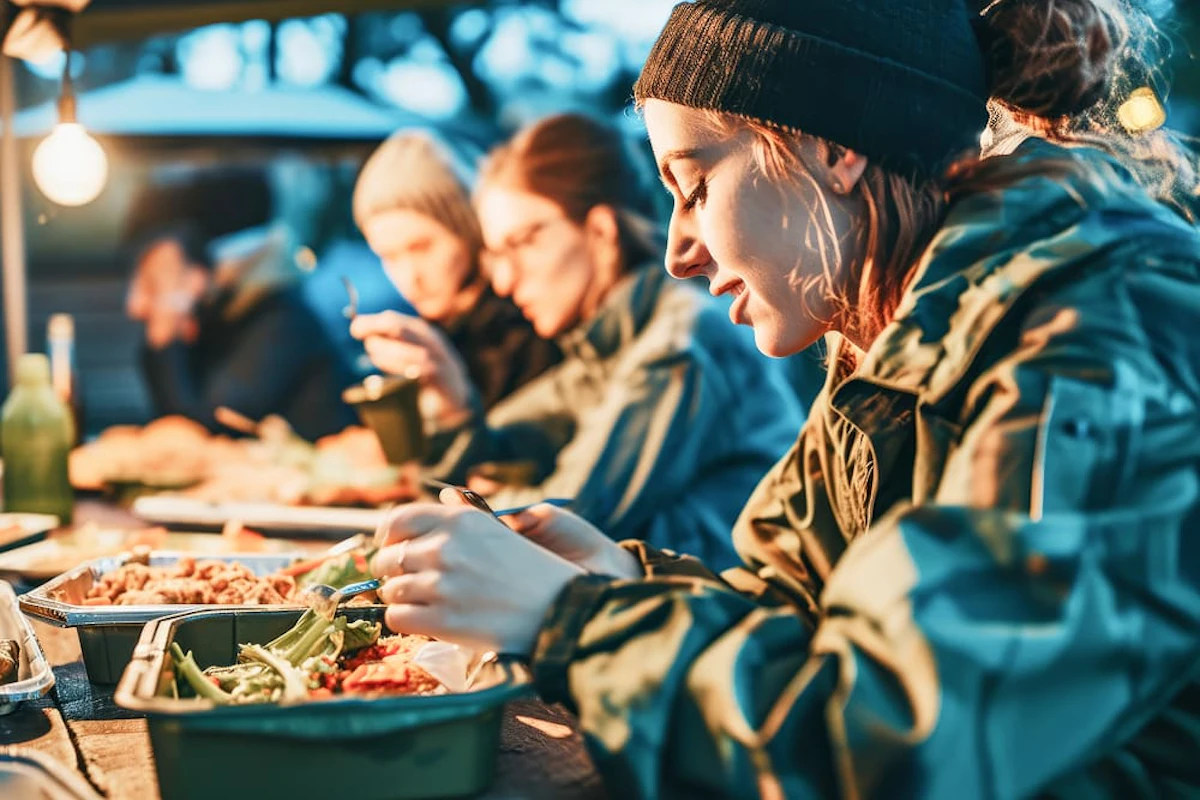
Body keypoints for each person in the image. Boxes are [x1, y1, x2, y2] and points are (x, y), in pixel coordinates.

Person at [369, 0, 1200, 796]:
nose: (676, 253)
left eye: (692, 187)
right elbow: (800, 609)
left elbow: (893, 748)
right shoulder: (888, 341)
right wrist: (619, 580)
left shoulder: (1101, 333)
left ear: (833, 147)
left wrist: (571, 621)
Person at [381, 112, 800, 568]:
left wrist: (493, 497)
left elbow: (568, 520)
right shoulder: (601, 349)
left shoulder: (682, 342)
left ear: (601, 231)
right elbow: (490, 458)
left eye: (521, 243)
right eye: (495, 255)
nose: (502, 280)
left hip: (736, 620)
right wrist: (452, 405)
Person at [124, 168, 357, 442]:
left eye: (154, 282)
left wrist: (167, 342)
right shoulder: (215, 320)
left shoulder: (280, 319)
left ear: (203, 273)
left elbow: (203, 434)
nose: (135, 305)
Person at [348, 130, 562, 413]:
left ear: (468, 232)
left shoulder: (532, 328)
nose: (409, 277)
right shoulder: (437, 332)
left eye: (421, 248)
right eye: (388, 256)